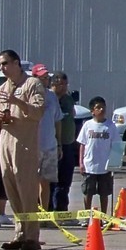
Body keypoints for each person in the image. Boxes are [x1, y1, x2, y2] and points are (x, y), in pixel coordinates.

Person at [0, 49, 47, 250]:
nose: (2, 68)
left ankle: (32, 236)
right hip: (5, 142)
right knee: (10, 187)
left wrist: (17, 102)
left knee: (26, 188)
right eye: (0, 65)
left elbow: (37, 112)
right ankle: (19, 233)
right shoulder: (1, 89)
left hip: (25, 144)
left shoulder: (32, 84)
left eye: (5, 64)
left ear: (16, 63)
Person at [78, 97, 119, 215]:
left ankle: (104, 216)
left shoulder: (110, 126)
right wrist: (81, 163)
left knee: (104, 193)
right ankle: (87, 216)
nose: (101, 110)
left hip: (104, 167)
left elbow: (116, 145)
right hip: (89, 165)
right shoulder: (87, 125)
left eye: (103, 107)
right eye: (98, 107)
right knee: (88, 192)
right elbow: (82, 145)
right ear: (92, 111)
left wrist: (114, 163)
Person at [31, 65, 63, 216]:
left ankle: (44, 213)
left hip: (49, 145)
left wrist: (59, 144)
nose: (45, 80)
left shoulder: (51, 96)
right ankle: (31, 212)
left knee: (46, 181)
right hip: (32, 146)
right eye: (42, 78)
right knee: (32, 182)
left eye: (46, 78)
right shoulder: (28, 94)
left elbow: (58, 120)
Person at [51, 72, 80, 211]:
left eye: (65, 84)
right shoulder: (50, 99)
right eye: (60, 84)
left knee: (66, 179)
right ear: (53, 84)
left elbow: (73, 114)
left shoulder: (68, 99)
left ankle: (62, 210)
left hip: (68, 144)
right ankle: (49, 208)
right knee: (52, 180)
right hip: (54, 144)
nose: (63, 87)